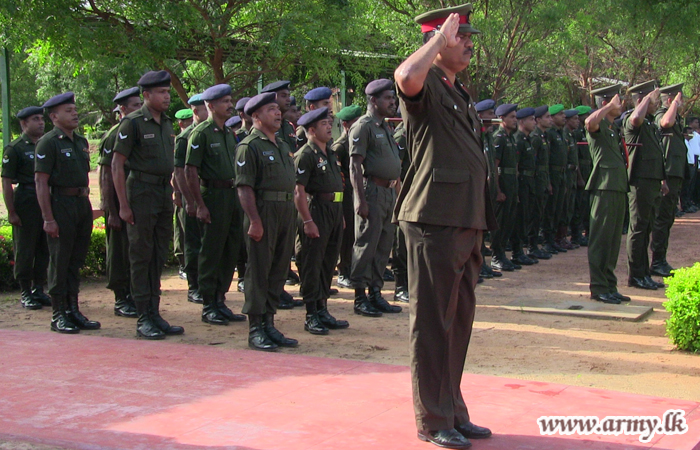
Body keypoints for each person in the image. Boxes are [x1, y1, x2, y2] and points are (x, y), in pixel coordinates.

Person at [394, 4, 496, 448]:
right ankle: (433, 419)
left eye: (470, 37)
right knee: (434, 321)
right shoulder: (427, 83)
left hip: (464, 218)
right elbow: (404, 78)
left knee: (458, 321)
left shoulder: (459, 91)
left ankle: (452, 408)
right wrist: (437, 40)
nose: (470, 43)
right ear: (437, 42)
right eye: (462, 36)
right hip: (433, 217)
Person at [112, 70, 184, 339]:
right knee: (141, 255)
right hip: (140, 192)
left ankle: (155, 313)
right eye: (162, 93)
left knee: (156, 255)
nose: (167, 96)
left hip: (162, 193)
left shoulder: (165, 123)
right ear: (146, 95)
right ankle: (143, 316)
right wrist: (123, 205)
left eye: (168, 92)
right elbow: (117, 165)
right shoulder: (132, 123)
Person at [235, 92, 299, 351]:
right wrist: (254, 220)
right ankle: (255, 328)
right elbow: (244, 187)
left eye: (277, 108)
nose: (277, 113)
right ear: (256, 116)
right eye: (271, 109)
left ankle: (269, 323)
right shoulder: (249, 146)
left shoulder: (282, 145)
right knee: (259, 270)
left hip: (285, 210)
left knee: (278, 269)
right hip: (263, 211)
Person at [35, 92, 99, 333]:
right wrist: (48, 218)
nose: (74, 113)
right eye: (68, 110)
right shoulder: (48, 142)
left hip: (81, 204)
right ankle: (58, 313)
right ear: (54, 116)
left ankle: (73, 309)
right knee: (60, 260)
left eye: (75, 109)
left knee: (75, 260)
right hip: (60, 203)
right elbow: (41, 182)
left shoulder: (80, 142)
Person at [184, 84, 246, 326]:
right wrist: (198, 204)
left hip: (231, 196)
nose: (230, 105)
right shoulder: (201, 133)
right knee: (211, 252)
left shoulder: (228, 134)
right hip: (212, 195)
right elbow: (190, 171)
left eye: (230, 100)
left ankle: (221, 300)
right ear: (210, 106)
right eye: (225, 101)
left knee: (229, 250)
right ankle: (209, 304)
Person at [348, 79, 403, 317]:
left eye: (393, 98)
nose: (393, 102)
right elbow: (354, 166)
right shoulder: (363, 126)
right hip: (372, 192)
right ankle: (360, 296)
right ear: (373, 100)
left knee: (383, 245)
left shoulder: (385, 127)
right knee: (366, 244)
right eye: (388, 98)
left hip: (389, 193)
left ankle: (376, 293)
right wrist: (360, 200)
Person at [294, 107, 349, 334]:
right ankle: (311, 314)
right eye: (324, 124)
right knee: (312, 263)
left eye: (330, 123)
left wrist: (341, 216)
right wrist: (307, 221)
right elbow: (299, 191)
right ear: (311, 129)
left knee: (328, 263)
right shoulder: (306, 154)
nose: (329, 127)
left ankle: (322, 308)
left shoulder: (330, 153)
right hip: (316, 210)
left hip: (334, 211)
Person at [98, 87, 142, 317]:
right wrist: (112, 210)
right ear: (123, 109)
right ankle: (121, 297)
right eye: (136, 105)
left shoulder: (138, 129)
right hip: (118, 201)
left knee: (135, 249)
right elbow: (106, 174)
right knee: (118, 250)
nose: (140, 109)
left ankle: (135, 293)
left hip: (136, 200)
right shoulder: (115, 134)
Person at [585, 85, 630, 304]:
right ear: (605, 104)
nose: (621, 104)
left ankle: (609, 285)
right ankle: (599, 287)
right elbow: (589, 122)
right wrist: (608, 107)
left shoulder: (612, 128)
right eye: (617, 101)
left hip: (617, 186)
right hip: (603, 187)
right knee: (601, 240)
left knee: (612, 242)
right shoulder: (599, 124)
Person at [2, 106, 50, 310]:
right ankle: (25, 291)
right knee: (25, 247)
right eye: (35, 119)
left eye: (42, 119)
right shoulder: (15, 148)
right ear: (24, 124)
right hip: (27, 199)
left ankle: (39, 288)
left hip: (46, 198)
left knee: (44, 246)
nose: (41, 122)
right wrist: (12, 211)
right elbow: (6, 182)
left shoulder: (47, 144)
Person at [622, 80, 668, 290]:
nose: (656, 104)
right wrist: (645, 99)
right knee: (638, 228)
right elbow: (635, 118)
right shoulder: (633, 121)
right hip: (639, 182)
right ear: (641, 100)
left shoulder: (649, 123)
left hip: (651, 182)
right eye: (652, 100)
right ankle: (636, 276)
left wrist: (661, 179)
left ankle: (644, 273)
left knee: (647, 227)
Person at [173, 94, 207, 304]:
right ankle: (194, 287)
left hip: (210, 196)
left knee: (209, 245)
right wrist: (190, 200)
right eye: (206, 108)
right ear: (196, 111)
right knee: (193, 244)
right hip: (193, 199)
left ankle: (208, 286)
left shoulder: (212, 133)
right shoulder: (186, 136)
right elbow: (180, 172)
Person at [650, 84, 686, 277]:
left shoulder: (676, 118)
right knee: (662, 219)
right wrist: (673, 104)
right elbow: (664, 123)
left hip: (674, 174)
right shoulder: (663, 114)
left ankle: (660, 259)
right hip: (667, 175)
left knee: (667, 218)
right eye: (680, 99)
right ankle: (657, 262)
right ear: (672, 100)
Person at [332, 104, 363, 289]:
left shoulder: (358, 141)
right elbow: (337, 176)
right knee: (346, 235)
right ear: (345, 124)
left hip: (357, 193)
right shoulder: (340, 147)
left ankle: (351, 267)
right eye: (355, 122)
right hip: (345, 195)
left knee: (356, 234)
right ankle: (343, 271)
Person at [475, 99, 504, 278]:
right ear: (480, 117)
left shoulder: (487, 136)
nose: (494, 118)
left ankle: (482, 264)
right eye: (490, 115)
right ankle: (477, 265)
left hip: (487, 187)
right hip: (477, 189)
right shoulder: (476, 136)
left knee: (484, 226)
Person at [490, 103, 519, 271]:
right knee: (500, 221)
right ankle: (496, 255)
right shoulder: (499, 137)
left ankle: (502, 254)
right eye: (512, 117)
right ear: (502, 119)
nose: (515, 120)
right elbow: (494, 165)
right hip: (502, 182)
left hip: (511, 183)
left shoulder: (510, 137)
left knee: (509, 220)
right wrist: (498, 190)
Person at [510, 107, 538, 265]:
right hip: (521, 183)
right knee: (519, 218)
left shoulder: (527, 139)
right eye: (531, 120)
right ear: (522, 122)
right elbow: (515, 166)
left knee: (527, 216)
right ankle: (517, 251)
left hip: (530, 182)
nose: (534, 122)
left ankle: (522, 250)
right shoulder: (518, 140)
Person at [528, 105, 553, 259]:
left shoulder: (543, 136)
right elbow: (533, 162)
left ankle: (535, 245)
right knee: (534, 214)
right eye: (547, 117)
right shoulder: (535, 138)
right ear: (538, 120)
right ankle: (532, 246)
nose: (550, 120)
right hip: (536, 180)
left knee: (540, 213)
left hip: (543, 179)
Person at [544, 104, 569, 254]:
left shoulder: (561, 133)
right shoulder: (550, 134)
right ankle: (548, 241)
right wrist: (548, 181)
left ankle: (554, 239)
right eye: (560, 114)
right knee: (550, 209)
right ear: (552, 118)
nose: (563, 117)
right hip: (552, 174)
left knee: (559, 208)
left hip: (562, 174)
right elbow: (546, 158)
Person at [573, 105, 593, 246]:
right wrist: (579, 177)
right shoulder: (576, 133)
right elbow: (575, 158)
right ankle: (576, 234)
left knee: (587, 204)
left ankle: (587, 231)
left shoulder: (587, 131)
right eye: (586, 115)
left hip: (589, 169)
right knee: (579, 204)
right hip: (580, 170)